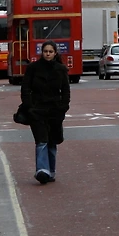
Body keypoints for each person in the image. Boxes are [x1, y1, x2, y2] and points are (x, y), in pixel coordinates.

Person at [21, 41, 70, 183]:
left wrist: (63, 106)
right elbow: (25, 88)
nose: (47, 54)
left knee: (52, 142)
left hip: (55, 111)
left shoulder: (61, 69)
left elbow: (66, 90)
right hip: (37, 110)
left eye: (50, 51)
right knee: (41, 140)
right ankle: (42, 170)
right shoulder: (33, 68)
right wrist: (29, 105)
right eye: (45, 51)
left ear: (55, 53)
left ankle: (51, 170)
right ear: (42, 52)